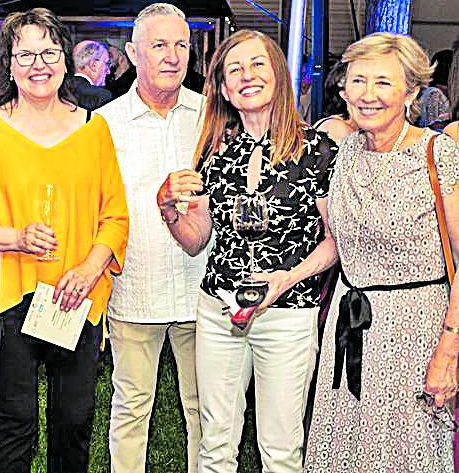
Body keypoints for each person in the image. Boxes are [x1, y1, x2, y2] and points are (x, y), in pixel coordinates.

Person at [0, 7, 129, 473]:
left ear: (65, 61)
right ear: (8, 65)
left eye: (48, 52)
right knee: (16, 421)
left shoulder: (93, 129)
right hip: (7, 297)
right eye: (25, 54)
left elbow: (116, 217)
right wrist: (16, 238)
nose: (38, 64)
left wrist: (89, 270)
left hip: (75, 298)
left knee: (73, 419)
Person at [157, 29, 338, 473]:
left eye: (257, 64)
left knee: (279, 449)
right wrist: (166, 207)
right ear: (221, 88)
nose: (247, 76)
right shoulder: (214, 154)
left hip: (288, 312)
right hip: (219, 309)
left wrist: (288, 279)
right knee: (215, 445)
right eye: (233, 70)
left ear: (278, 73)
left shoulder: (317, 150)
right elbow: (197, 238)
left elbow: (337, 242)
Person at [304, 32, 459, 473]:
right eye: (358, 81)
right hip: (348, 325)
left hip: (416, 332)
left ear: (410, 92)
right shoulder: (348, 150)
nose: (367, 95)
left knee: (402, 453)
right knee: (344, 448)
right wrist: (283, 280)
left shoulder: (439, 153)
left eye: (383, 83)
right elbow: (339, 243)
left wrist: (449, 349)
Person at [96, 2, 203, 473]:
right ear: (132, 52)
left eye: (181, 45)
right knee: (131, 408)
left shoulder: (211, 116)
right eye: (159, 45)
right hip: (135, 285)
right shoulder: (104, 124)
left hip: (203, 289)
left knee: (205, 410)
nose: (172, 56)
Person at [72, 39, 113, 109]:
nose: (108, 71)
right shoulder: (101, 96)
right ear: (93, 65)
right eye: (107, 64)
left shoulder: (57, 90)